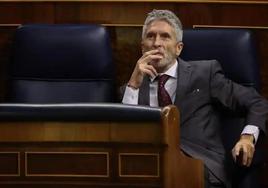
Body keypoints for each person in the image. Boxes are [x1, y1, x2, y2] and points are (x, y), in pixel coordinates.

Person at [121, 9, 268, 188]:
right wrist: (134, 85)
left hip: (200, 170)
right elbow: (123, 138)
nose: (156, 43)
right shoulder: (130, 88)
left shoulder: (205, 74)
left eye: (165, 36)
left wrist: (247, 137)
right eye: (150, 37)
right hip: (149, 171)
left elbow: (256, 102)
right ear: (142, 47)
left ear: (178, 48)